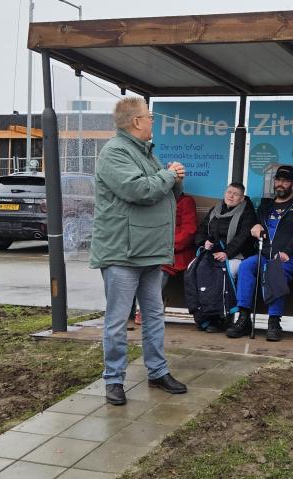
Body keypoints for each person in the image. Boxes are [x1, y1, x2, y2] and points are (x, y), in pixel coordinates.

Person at [90, 97, 189, 406]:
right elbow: (139, 190)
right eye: (150, 116)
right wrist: (169, 176)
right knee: (118, 320)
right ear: (136, 122)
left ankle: (158, 371)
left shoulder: (145, 152)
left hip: (149, 251)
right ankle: (114, 379)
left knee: (154, 316)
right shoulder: (115, 152)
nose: (153, 121)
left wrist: (174, 179)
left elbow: (162, 190)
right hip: (123, 252)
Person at [225, 165, 293, 341]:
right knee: (246, 266)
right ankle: (243, 317)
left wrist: (287, 251)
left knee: (275, 269)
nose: (280, 184)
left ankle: (274, 321)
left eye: (285, 181)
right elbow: (257, 225)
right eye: (278, 180)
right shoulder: (266, 205)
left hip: (287, 257)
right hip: (264, 253)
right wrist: (255, 227)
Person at [191, 183, 257, 332]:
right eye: (229, 192)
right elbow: (202, 229)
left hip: (237, 255)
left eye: (235, 194)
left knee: (221, 273)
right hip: (214, 253)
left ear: (242, 198)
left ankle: (222, 317)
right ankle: (205, 315)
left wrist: (227, 252)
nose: (231, 196)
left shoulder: (247, 212)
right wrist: (204, 242)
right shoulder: (216, 209)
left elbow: (243, 237)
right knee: (197, 269)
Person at [160, 192, 198, 292]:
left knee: (157, 271)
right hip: (151, 249)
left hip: (174, 252)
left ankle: (147, 305)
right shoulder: (155, 200)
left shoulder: (185, 201)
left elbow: (189, 232)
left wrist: (167, 247)